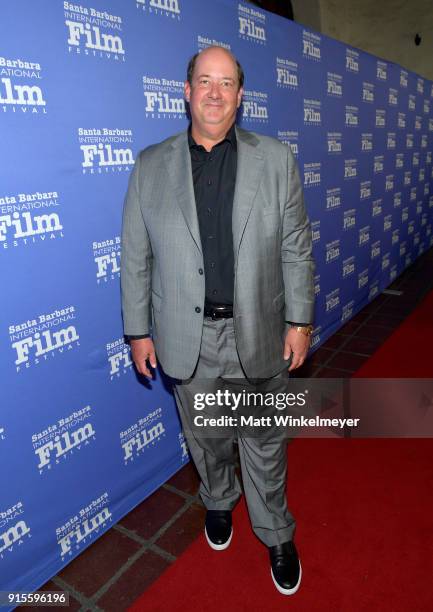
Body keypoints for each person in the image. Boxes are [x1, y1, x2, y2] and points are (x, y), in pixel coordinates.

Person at [121, 46, 315, 595]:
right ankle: (219, 500)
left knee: (264, 438)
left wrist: (299, 320)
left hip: (259, 328)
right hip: (188, 338)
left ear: (240, 95)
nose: (214, 93)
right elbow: (136, 257)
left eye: (225, 83)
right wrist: (138, 330)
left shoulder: (275, 160)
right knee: (205, 437)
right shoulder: (149, 165)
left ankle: (276, 532)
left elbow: (297, 248)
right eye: (203, 81)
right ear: (185, 91)